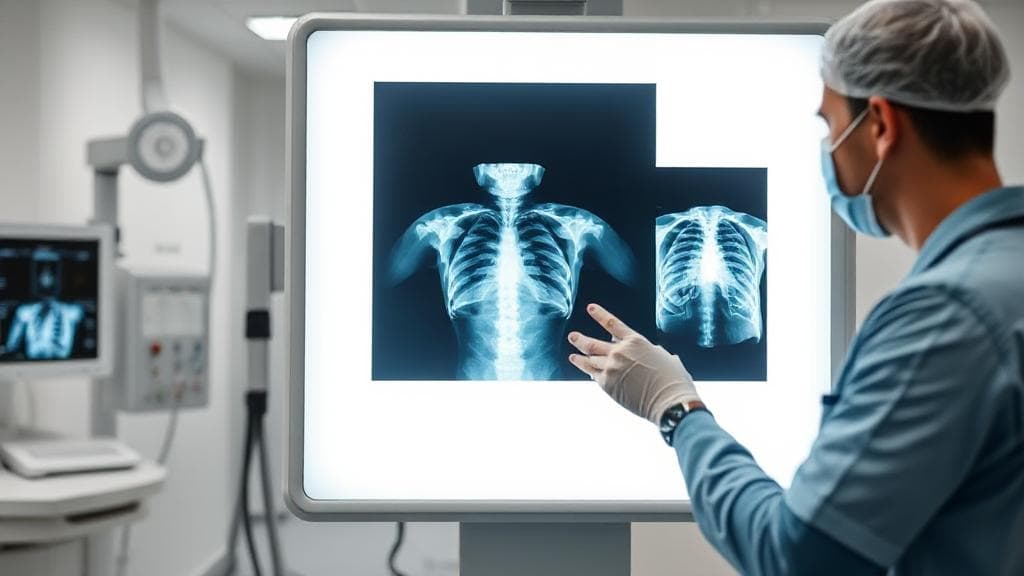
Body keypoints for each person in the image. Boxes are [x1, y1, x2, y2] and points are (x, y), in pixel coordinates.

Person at [567, 1, 1024, 574]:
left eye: (831, 125)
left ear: (880, 126)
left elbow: (797, 557)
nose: (828, 150)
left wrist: (676, 408)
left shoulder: (946, 317)